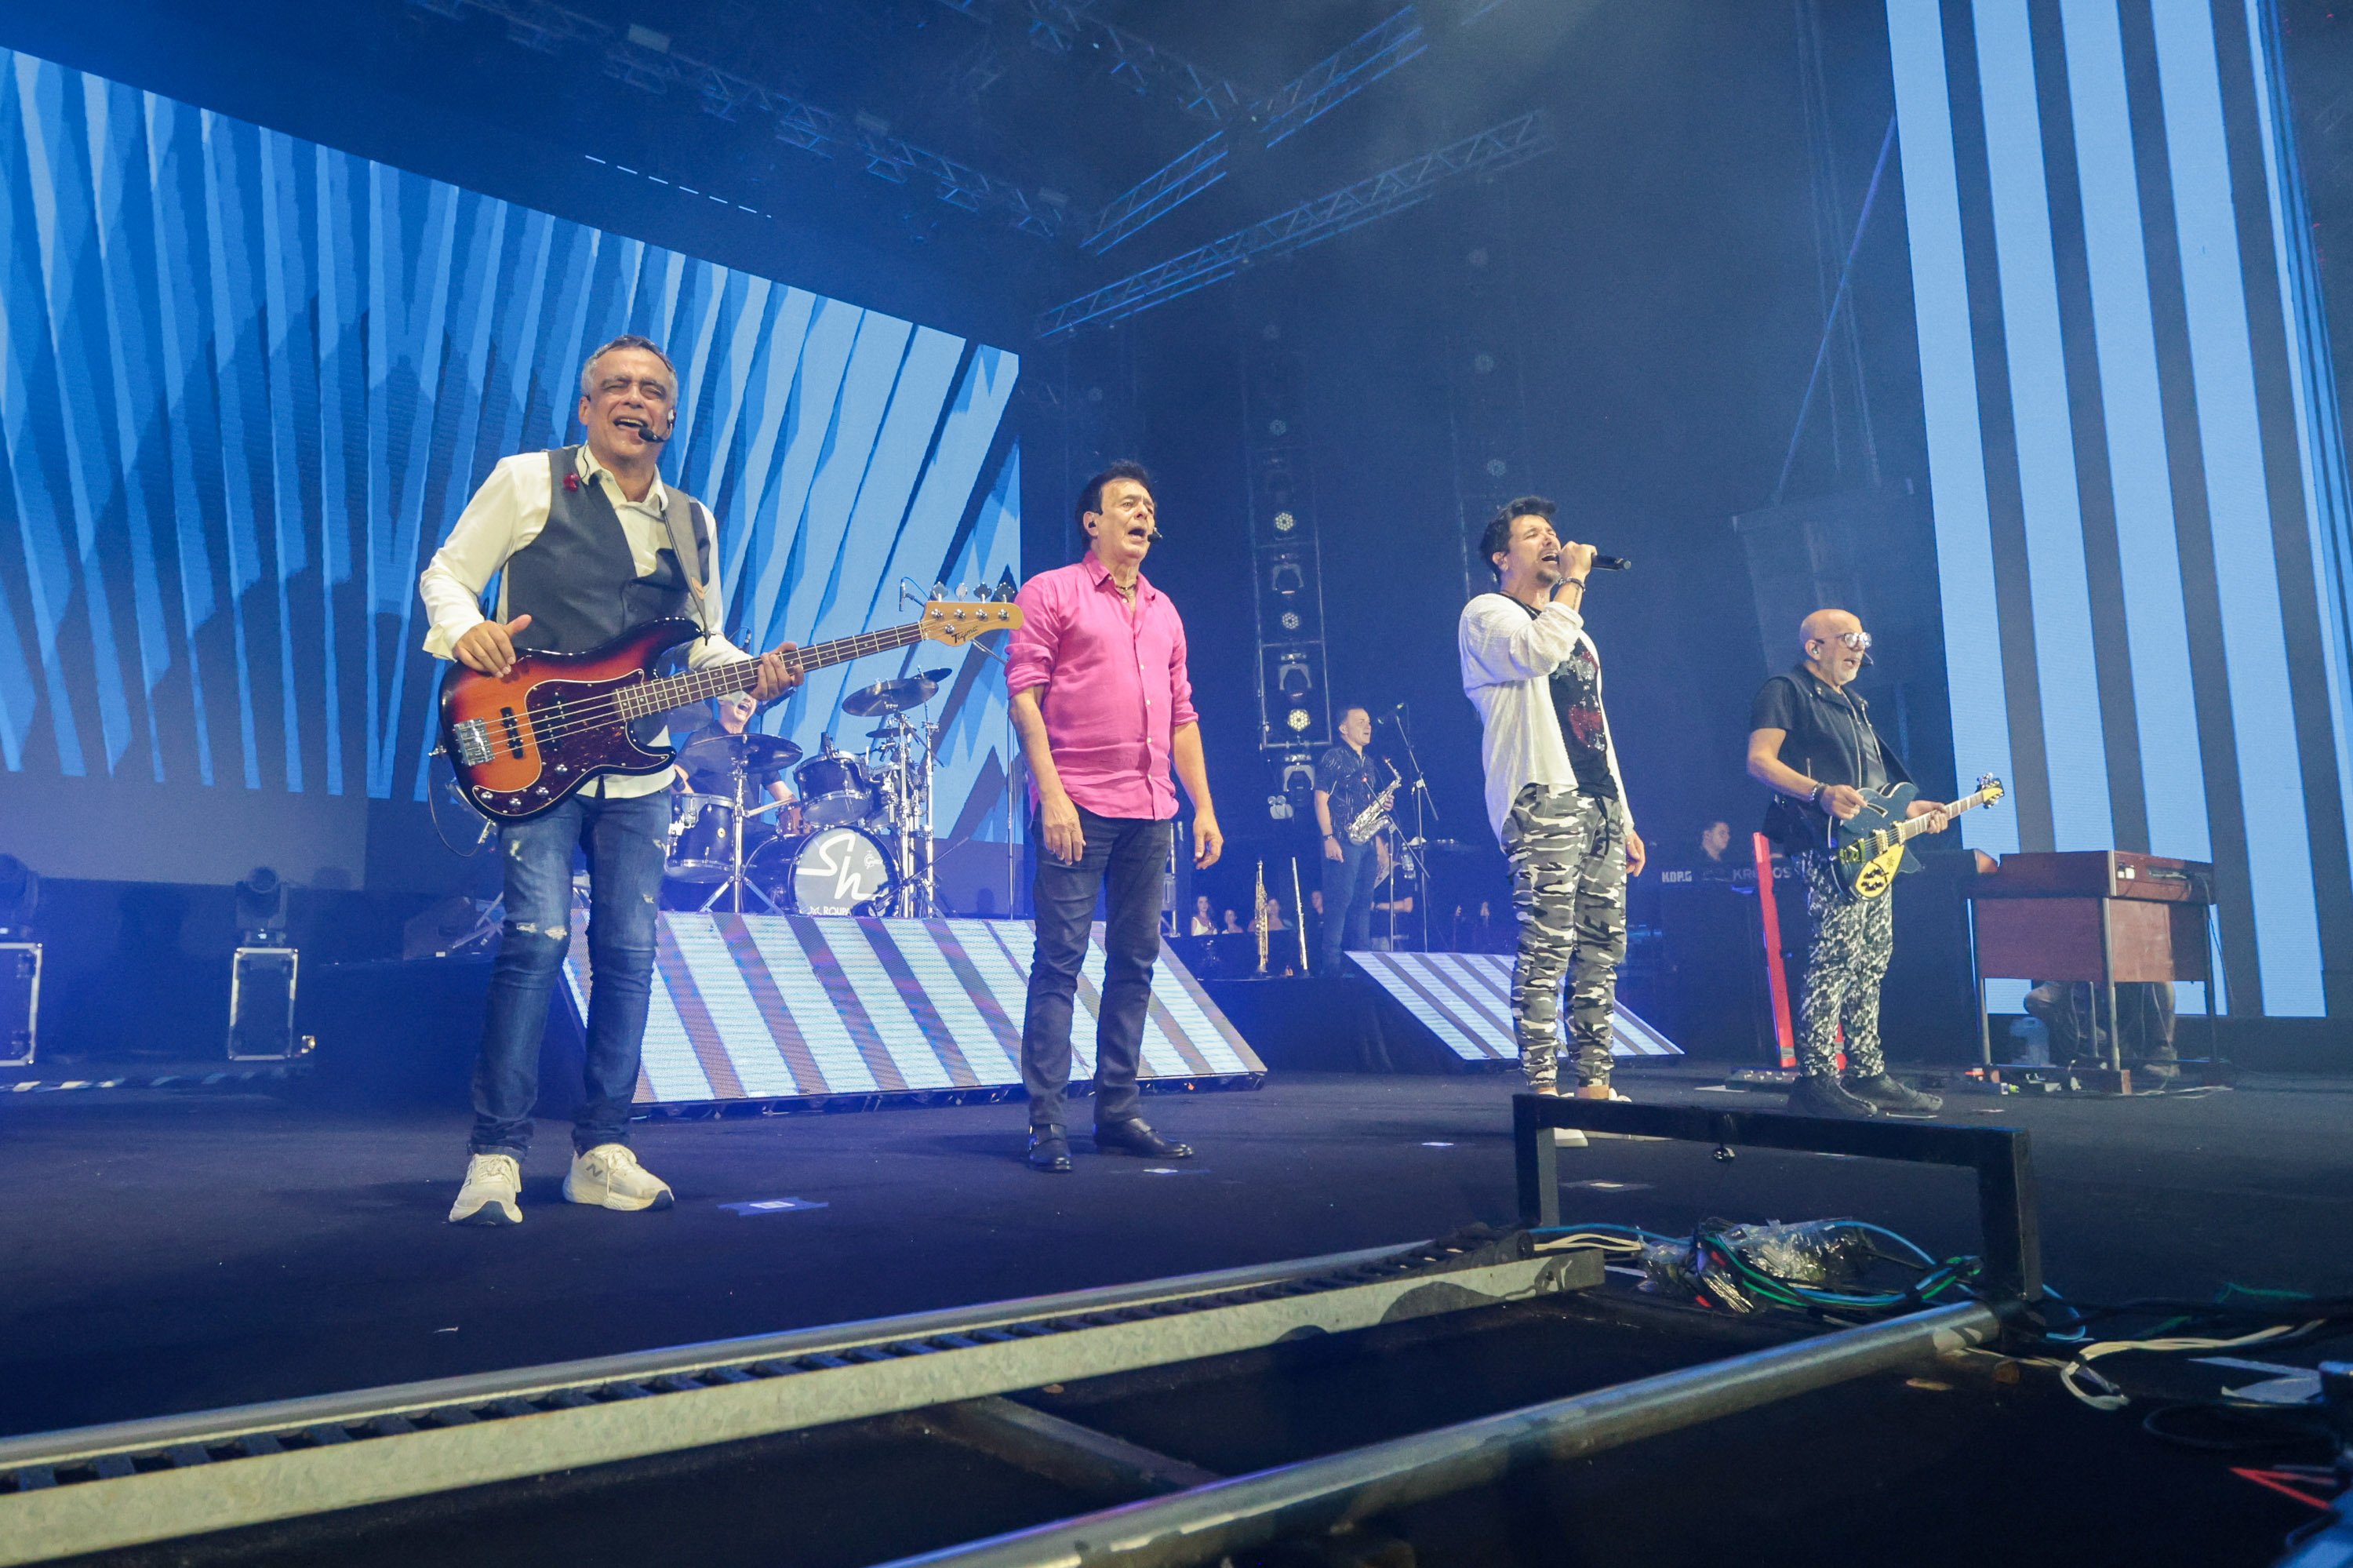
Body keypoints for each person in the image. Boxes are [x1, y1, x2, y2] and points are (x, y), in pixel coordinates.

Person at [421, 333, 801, 1225]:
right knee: (539, 938)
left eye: (654, 390)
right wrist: (465, 631)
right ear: (587, 407)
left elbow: (697, 640)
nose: (636, 400)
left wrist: (752, 669)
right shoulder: (528, 479)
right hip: (530, 746)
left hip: (639, 769)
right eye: (617, 386)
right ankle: (496, 1154)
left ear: (671, 416)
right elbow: (446, 576)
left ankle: (602, 1148)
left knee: (629, 955)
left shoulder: (693, 520)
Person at [1006, 461, 1223, 1173]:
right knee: (1060, 961)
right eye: (1127, 503)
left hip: (1152, 810)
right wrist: (1053, 794)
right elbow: (1024, 699)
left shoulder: (1166, 610)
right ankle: (1046, 1121)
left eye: (1149, 506)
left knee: (1136, 961)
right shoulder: (1051, 591)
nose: (1143, 514)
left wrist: (1204, 807)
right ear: (1091, 521)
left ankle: (1119, 1111)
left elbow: (1183, 716)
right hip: (1078, 805)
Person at [1460, 497, 1646, 1144]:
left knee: (1601, 949)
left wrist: (1623, 813)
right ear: (1501, 557)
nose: (1551, 540)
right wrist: (1573, 580)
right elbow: (1536, 653)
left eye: (1553, 533)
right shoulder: (1486, 615)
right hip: (1539, 795)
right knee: (1549, 944)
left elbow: (1597, 724)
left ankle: (1595, 1088)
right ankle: (1544, 1096)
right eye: (1532, 534)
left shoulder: (1579, 631)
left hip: (1595, 798)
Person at [1745, 609, 1948, 1118]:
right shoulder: (1785, 690)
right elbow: (1760, 761)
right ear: (1814, 647)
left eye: (1863, 639)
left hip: (1872, 847)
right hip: (1823, 842)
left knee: (1873, 954)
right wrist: (1819, 792)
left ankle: (1867, 1071)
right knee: (1836, 953)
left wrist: (1910, 809)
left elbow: (1874, 789)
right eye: (1848, 638)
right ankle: (1815, 1076)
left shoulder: (1853, 704)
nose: (1859, 648)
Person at [1313, 705, 1384, 974]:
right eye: (1360, 722)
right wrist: (1328, 837)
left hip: (1365, 842)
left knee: (1363, 904)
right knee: (1339, 903)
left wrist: (1381, 805)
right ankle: (1331, 969)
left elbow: (1365, 802)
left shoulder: (1368, 762)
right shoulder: (1333, 758)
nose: (1368, 726)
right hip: (1342, 840)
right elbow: (1321, 799)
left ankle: (1362, 966)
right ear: (1343, 728)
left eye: (1369, 721)